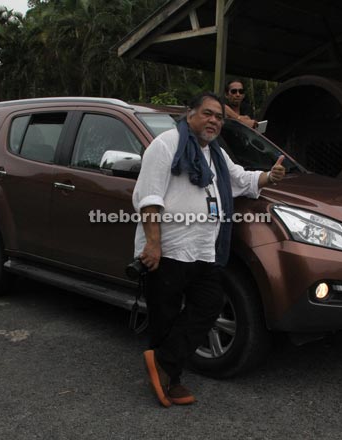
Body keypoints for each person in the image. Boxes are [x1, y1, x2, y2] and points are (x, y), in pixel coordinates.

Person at [132, 91, 285, 407]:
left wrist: (270, 176)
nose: (214, 120)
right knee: (166, 316)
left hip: (204, 249)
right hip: (169, 250)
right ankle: (171, 380)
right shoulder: (165, 146)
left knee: (210, 304)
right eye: (208, 113)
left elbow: (240, 179)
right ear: (191, 113)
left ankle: (162, 362)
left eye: (219, 116)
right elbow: (148, 198)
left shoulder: (215, 154)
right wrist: (153, 244)